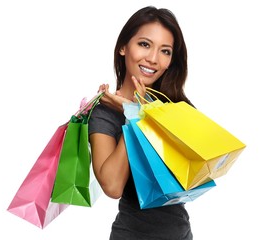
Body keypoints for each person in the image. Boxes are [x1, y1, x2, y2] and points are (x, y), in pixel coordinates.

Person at [88, 6, 194, 240]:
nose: (153, 59)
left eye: (165, 51)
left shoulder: (174, 107)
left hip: (181, 234)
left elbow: (192, 177)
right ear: (123, 47)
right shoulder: (104, 113)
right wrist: (134, 115)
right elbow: (112, 186)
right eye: (145, 44)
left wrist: (147, 109)